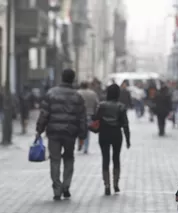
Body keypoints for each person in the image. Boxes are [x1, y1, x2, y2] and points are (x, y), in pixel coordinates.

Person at [36, 69, 87, 201]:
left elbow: (44, 114)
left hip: (53, 132)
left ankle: (57, 189)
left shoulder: (51, 93)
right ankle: (66, 186)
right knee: (69, 158)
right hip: (70, 132)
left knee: (55, 160)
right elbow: (82, 117)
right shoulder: (77, 96)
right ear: (73, 79)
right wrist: (82, 134)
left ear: (62, 78)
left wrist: (39, 130)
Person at [92, 84, 131, 195]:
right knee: (116, 158)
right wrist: (128, 139)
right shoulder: (121, 106)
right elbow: (125, 124)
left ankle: (107, 185)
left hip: (104, 133)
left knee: (105, 158)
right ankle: (116, 183)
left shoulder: (102, 105)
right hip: (116, 134)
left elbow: (96, 118)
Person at [77, 81, 99, 154]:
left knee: (79, 130)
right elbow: (97, 104)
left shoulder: (77, 93)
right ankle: (86, 147)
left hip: (79, 114)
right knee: (87, 131)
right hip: (89, 114)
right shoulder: (93, 93)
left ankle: (80, 143)